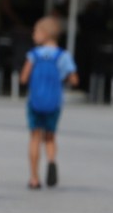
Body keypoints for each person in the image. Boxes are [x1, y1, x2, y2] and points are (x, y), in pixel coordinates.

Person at [20, 16, 78, 191]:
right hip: (54, 103)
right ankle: (51, 160)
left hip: (35, 102)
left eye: (36, 31)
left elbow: (24, 78)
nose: (33, 35)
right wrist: (62, 78)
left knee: (35, 138)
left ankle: (34, 178)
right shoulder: (63, 55)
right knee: (50, 137)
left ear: (45, 34)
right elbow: (74, 80)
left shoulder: (34, 55)